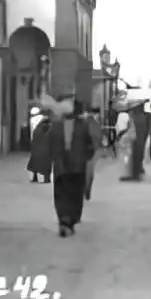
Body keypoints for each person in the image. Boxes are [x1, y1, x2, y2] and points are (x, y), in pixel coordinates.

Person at [39, 95, 97, 237]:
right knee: (60, 193)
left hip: (77, 165)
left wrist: (85, 157)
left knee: (75, 193)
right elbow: (49, 144)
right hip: (61, 164)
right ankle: (63, 219)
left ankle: (71, 219)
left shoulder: (83, 126)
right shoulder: (56, 126)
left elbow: (90, 144)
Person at [27, 105, 52, 184]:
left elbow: (32, 133)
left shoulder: (32, 120)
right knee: (44, 161)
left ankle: (33, 177)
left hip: (35, 141)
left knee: (34, 159)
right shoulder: (46, 121)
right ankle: (43, 178)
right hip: (44, 143)